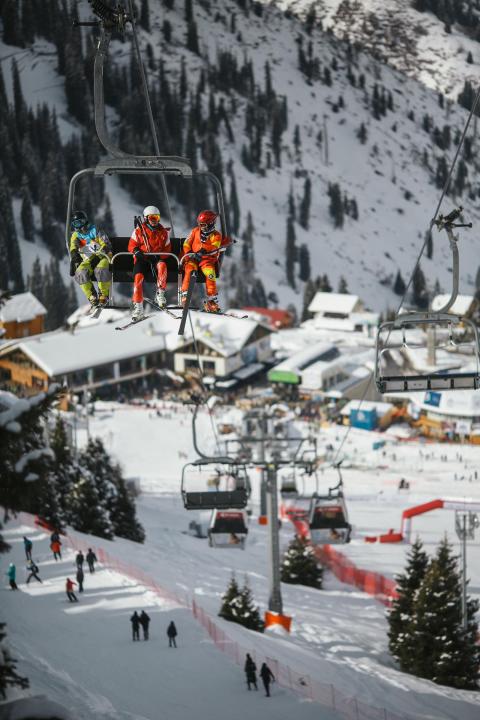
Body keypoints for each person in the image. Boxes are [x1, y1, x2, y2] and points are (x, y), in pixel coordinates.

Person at [128, 206, 171, 321]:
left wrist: (160, 255)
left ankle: (160, 294)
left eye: (157, 217)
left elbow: (167, 249)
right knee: (138, 278)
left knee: (162, 265)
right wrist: (137, 251)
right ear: (146, 218)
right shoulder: (139, 231)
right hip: (142, 259)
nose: (155, 220)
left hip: (156, 259)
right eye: (152, 218)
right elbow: (131, 245)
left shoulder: (163, 232)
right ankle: (138, 307)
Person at [181, 210, 226, 313]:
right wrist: (190, 253)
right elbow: (186, 243)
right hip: (193, 258)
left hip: (206, 260)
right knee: (190, 270)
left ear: (210, 223)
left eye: (203, 225)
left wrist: (204, 250)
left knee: (210, 273)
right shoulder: (195, 231)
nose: (201, 227)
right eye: (200, 224)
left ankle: (211, 300)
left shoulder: (216, 235)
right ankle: (185, 294)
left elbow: (214, 247)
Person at [69, 210, 112, 311]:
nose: (79, 226)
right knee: (80, 272)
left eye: (80, 222)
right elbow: (73, 247)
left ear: (85, 221)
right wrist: (74, 256)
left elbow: (106, 245)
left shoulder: (95, 230)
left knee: (100, 270)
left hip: (103, 256)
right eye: (76, 224)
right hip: (88, 258)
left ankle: (103, 295)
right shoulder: (75, 235)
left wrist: (99, 255)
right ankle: (92, 296)